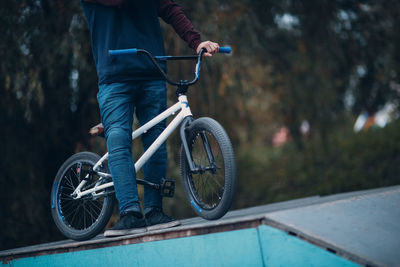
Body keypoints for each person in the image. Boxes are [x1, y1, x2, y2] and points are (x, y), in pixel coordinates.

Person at [80, 0, 220, 237]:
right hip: (115, 78)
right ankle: (129, 213)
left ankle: (154, 210)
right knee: (118, 138)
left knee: (157, 141)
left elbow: (170, 9)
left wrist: (196, 42)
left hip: (152, 72)